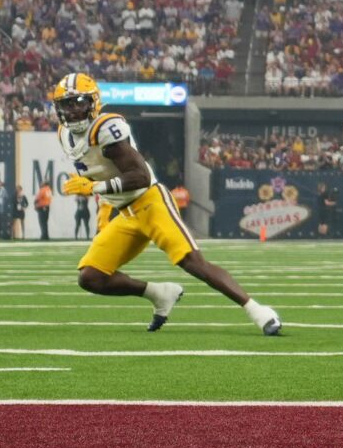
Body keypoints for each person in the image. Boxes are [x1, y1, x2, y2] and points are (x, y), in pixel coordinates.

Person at [52, 74, 280, 335]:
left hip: (150, 201)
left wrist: (94, 187)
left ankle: (258, 311)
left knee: (193, 263)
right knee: (91, 276)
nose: (72, 111)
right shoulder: (64, 134)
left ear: (93, 102)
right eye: (66, 105)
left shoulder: (106, 128)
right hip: (126, 213)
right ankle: (159, 293)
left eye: (78, 103)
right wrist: (92, 187)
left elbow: (140, 177)